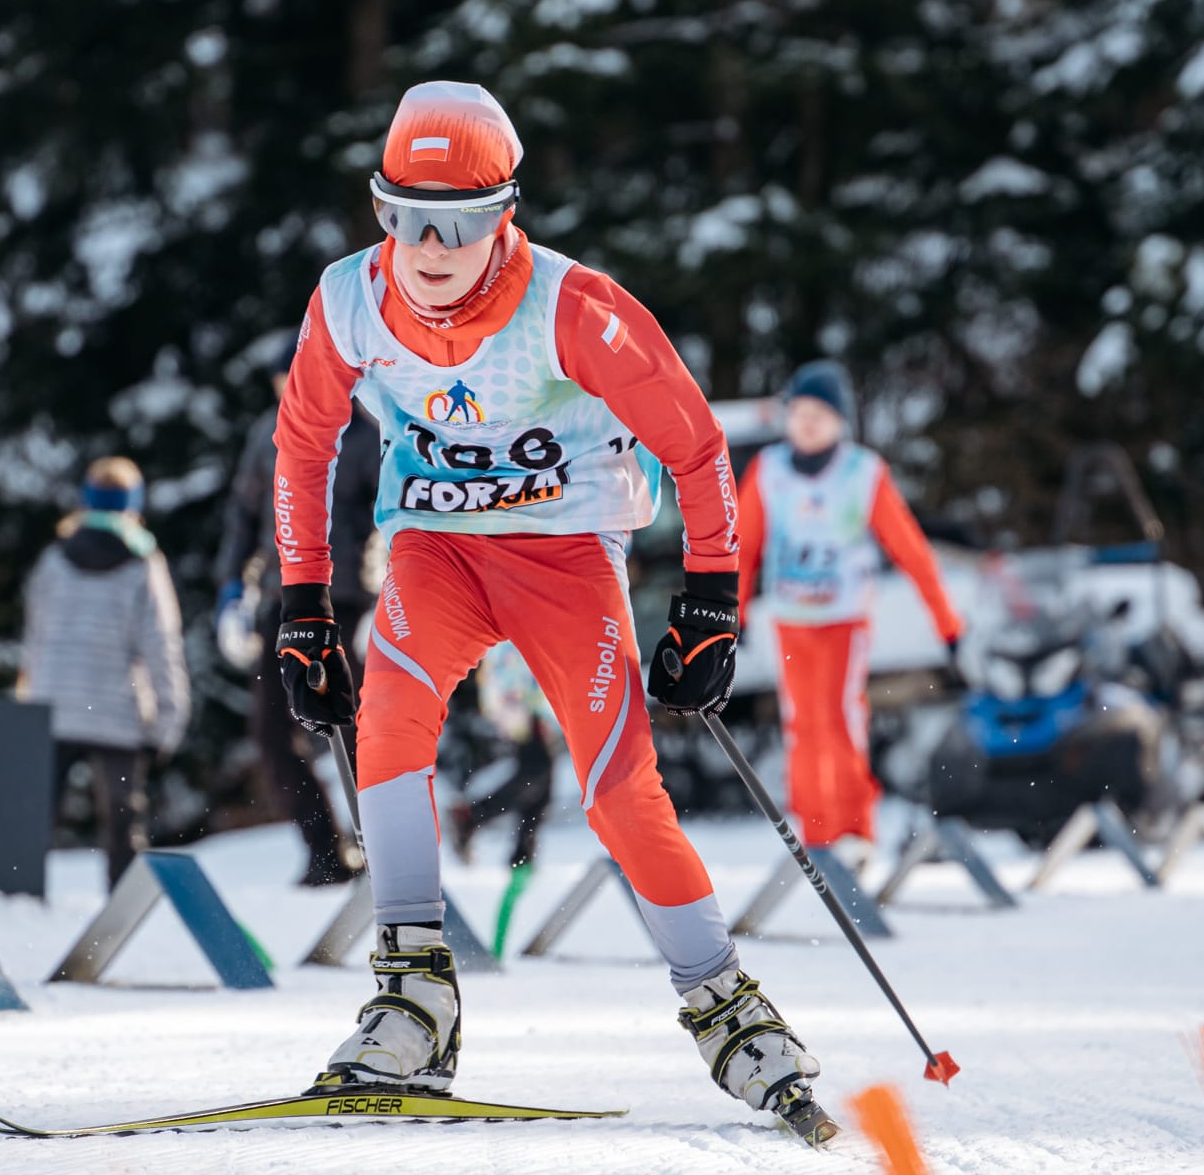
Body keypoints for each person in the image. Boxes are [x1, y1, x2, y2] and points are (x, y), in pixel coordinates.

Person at [270, 81, 826, 1134]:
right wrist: (304, 604)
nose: (429, 248)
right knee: (388, 722)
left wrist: (711, 599)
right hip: (436, 549)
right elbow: (303, 444)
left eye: (461, 222)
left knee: (618, 787)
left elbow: (697, 445)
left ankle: (726, 1005)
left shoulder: (573, 308)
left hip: (565, 556)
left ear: (505, 216)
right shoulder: (347, 300)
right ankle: (414, 995)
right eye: (404, 217)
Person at [737, 361, 965, 870]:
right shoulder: (770, 471)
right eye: (799, 413)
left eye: (819, 415)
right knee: (803, 724)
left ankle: (855, 830)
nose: (807, 424)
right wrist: (734, 609)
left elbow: (911, 551)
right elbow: (743, 545)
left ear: (839, 422)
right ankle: (816, 834)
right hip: (792, 618)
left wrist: (948, 625)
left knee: (840, 717)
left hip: (843, 618)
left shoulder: (863, 473)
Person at [216, 353, 382, 885]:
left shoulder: (365, 435)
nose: (289, 389)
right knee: (271, 731)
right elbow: (245, 514)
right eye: (281, 382)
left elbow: (392, 516)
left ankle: (380, 845)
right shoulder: (267, 433)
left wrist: (386, 593)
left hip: (346, 600)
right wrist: (231, 584)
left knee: (353, 727)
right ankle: (324, 850)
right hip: (280, 601)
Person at [20, 457, 190, 887]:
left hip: (53, 705)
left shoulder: (54, 559)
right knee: (122, 818)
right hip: (117, 711)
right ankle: (122, 904)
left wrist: (29, 697)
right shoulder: (143, 563)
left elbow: (35, 634)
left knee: (36, 816)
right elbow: (162, 644)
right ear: (134, 505)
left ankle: (20, 897)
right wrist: (168, 720)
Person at [449, 640, 558, 957]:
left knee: (542, 776)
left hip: (524, 682)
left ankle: (522, 852)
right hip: (518, 680)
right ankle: (473, 817)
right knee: (537, 768)